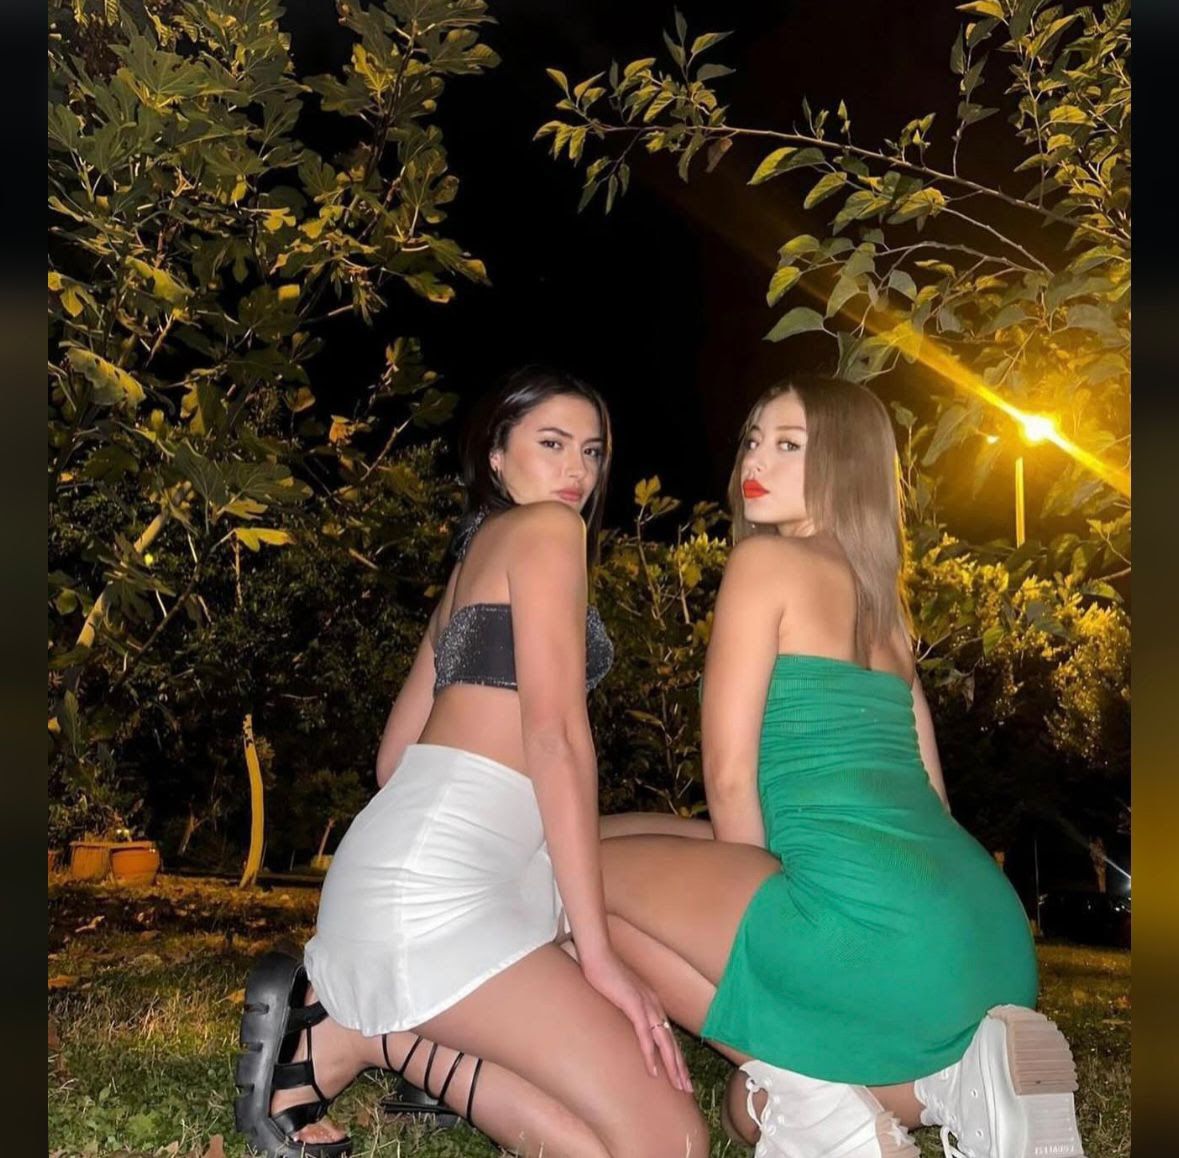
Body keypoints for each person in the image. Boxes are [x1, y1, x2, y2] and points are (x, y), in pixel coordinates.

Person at [593, 377, 1085, 1158]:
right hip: (984, 943)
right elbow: (931, 794)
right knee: (744, 1109)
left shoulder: (765, 562)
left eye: (789, 444)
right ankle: (951, 1085)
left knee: (572, 883)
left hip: (872, 933)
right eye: (753, 439)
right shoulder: (884, 603)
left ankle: (830, 1105)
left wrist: (767, 931)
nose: (755, 460)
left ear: (845, 464)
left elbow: (728, 775)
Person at [233, 367, 708, 1158]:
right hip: (435, 900)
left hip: (418, 870)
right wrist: (597, 956)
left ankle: (379, 1036)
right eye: (551, 444)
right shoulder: (549, 532)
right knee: (670, 1146)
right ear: (494, 454)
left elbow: (394, 760)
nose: (576, 471)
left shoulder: (470, 564)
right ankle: (364, 1033)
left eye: (591, 451)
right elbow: (554, 738)